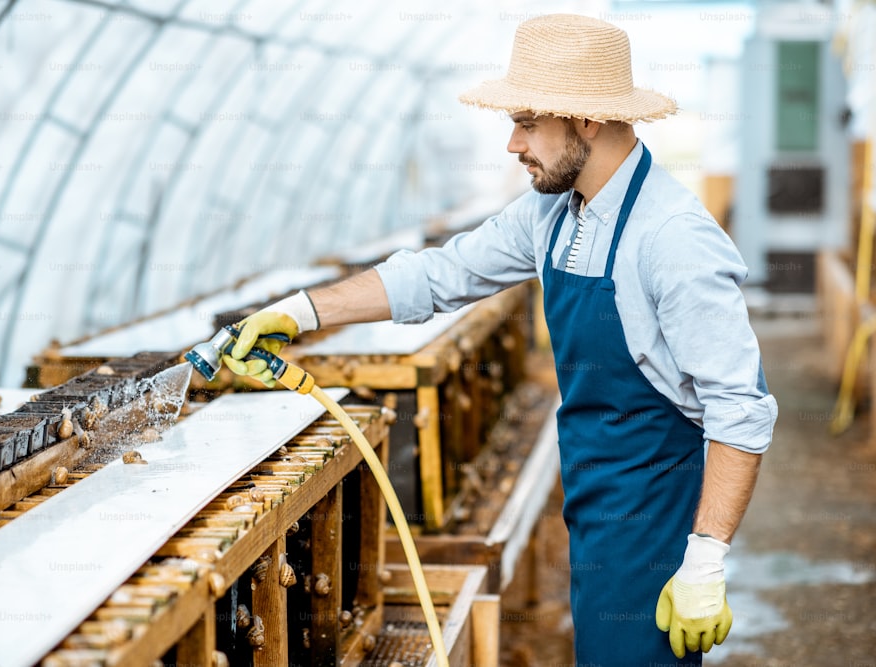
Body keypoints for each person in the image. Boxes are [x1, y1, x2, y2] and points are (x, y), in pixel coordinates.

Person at [219, 13, 776, 666]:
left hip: (651, 518)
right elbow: (442, 272)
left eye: (527, 122)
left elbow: (741, 407)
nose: (513, 143)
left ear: (586, 119)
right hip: (594, 503)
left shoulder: (672, 237)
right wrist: (303, 310)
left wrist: (705, 560)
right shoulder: (554, 209)